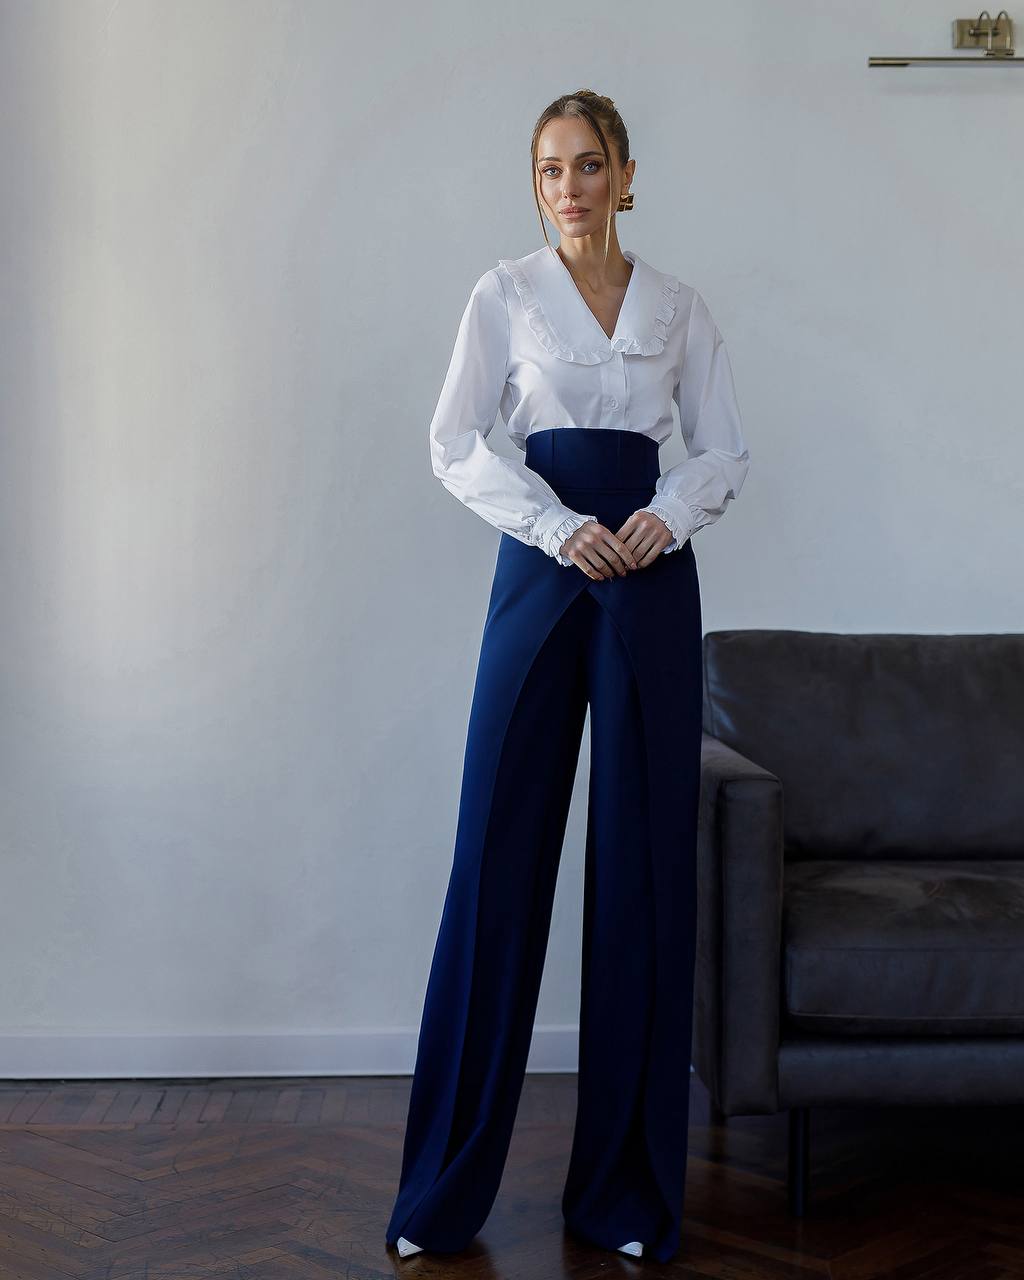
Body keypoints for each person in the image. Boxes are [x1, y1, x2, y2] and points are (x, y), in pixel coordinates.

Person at [385, 87, 751, 1265]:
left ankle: (624, 1197)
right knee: (495, 854)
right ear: (533, 183)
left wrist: (663, 518)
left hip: (646, 577)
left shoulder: (678, 306)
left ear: (626, 175)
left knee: (643, 872)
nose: (568, 188)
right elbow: (454, 441)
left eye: (588, 166)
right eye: (548, 169)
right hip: (542, 574)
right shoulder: (502, 295)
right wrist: (553, 527)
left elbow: (723, 448)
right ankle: (441, 1191)